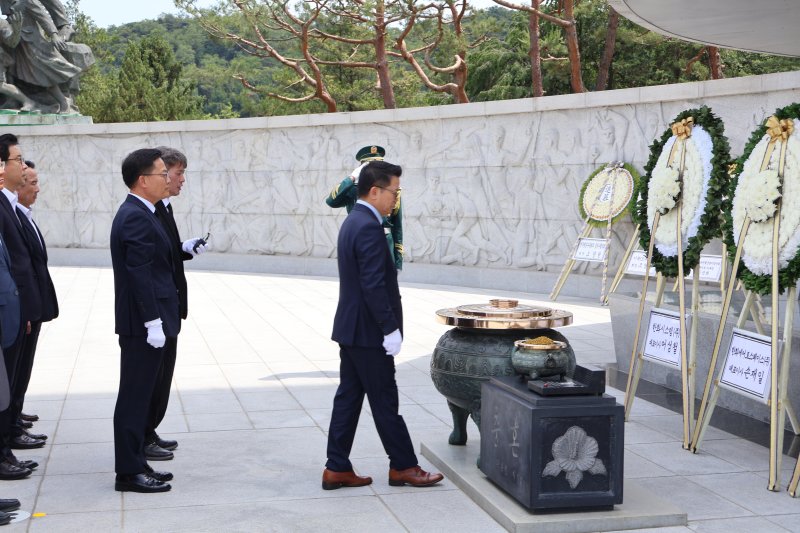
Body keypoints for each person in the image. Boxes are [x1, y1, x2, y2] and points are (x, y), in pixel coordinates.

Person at [323, 160, 443, 490]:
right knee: (385, 401)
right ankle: (404, 466)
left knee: (348, 398)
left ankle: (336, 467)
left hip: (353, 329)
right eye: (394, 191)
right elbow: (373, 285)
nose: (396, 199)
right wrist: (389, 328)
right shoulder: (368, 227)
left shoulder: (355, 221)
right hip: (368, 333)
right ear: (375, 191)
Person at [110, 148, 179, 493]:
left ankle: (137, 462)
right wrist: (152, 321)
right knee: (134, 399)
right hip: (142, 324)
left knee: (141, 395)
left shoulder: (144, 211)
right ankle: (128, 472)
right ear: (142, 180)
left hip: (149, 320)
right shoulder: (135, 215)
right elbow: (139, 275)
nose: (167, 180)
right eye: (161, 174)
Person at [144, 146, 207, 462]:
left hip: (170, 307)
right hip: (157, 311)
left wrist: (183, 248)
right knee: (151, 379)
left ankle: (150, 430)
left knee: (162, 377)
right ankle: (143, 435)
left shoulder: (163, 207)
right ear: (162, 173)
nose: (182, 180)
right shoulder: (147, 210)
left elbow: (164, 251)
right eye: (179, 173)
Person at [0, 134, 44, 481]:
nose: (22, 164)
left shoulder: (8, 205)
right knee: (6, 385)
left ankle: (6, 445)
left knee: (13, 380)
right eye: (17, 160)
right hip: (9, 311)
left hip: (15, 309)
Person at [12, 161, 57, 442]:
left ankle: (16, 412)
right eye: (32, 184)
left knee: (24, 366)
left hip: (35, 304)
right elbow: (20, 268)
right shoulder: (12, 218)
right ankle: (12, 425)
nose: (37, 189)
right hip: (23, 308)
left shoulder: (24, 215)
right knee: (16, 367)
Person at [325, 145, 404, 270]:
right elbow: (331, 201)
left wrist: (398, 262)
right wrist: (352, 177)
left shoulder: (393, 192)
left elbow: (397, 227)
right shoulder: (353, 189)